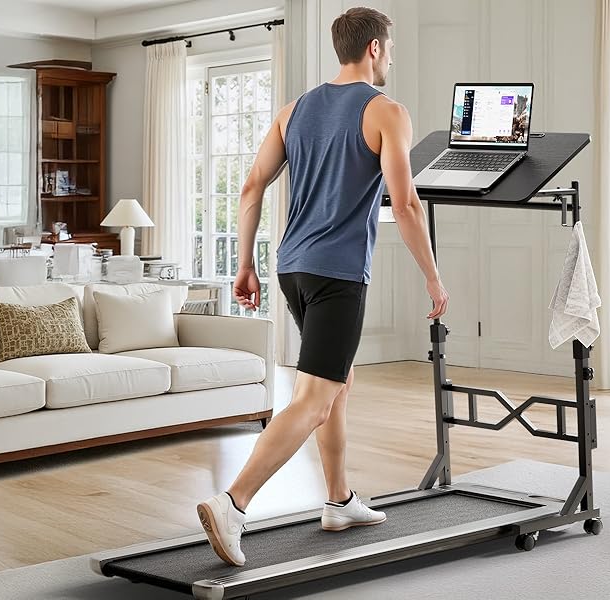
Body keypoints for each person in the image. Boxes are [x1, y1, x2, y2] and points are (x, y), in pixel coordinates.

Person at [196, 7, 448, 567]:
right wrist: (433, 277)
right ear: (376, 49)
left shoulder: (294, 111)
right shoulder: (387, 111)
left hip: (292, 267)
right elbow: (404, 204)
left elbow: (250, 186)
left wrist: (244, 265)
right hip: (336, 273)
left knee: (335, 383)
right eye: (390, 49)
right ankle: (232, 504)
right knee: (314, 398)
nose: (390, 57)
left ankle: (337, 500)